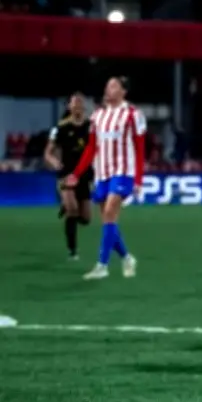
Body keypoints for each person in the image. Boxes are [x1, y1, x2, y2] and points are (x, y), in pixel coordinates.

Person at [66, 77, 144, 280]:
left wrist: (138, 179)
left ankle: (102, 266)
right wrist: (76, 173)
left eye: (114, 86)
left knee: (109, 212)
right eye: (108, 85)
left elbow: (140, 148)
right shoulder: (97, 116)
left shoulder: (133, 115)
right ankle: (127, 258)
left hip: (123, 172)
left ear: (123, 92)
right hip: (102, 173)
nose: (108, 89)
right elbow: (91, 148)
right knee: (109, 220)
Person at [44, 93, 92, 260]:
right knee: (73, 209)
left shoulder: (91, 126)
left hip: (84, 175)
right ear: (69, 107)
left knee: (86, 219)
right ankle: (72, 250)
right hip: (66, 174)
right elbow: (48, 153)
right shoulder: (60, 128)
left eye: (80, 102)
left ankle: (66, 207)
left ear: (84, 107)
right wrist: (54, 161)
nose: (78, 105)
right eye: (74, 103)